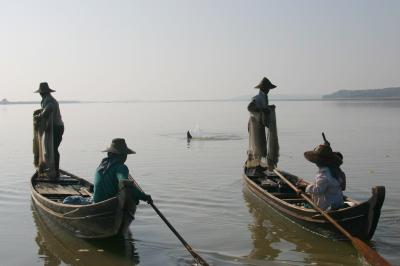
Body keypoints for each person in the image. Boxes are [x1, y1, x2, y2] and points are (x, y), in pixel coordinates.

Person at [92, 138, 152, 204]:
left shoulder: (101, 166)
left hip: (96, 202)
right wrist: (144, 197)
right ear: (122, 155)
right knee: (131, 196)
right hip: (110, 203)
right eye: (125, 154)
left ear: (109, 154)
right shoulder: (121, 167)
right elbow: (125, 183)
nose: (126, 157)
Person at [246, 77, 279, 174]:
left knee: (261, 144)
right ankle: (256, 168)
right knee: (258, 145)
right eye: (268, 88)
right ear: (263, 88)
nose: (269, 90)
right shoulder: (258, 97)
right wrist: (262, 110)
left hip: (259, 124)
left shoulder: (264, 97)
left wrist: (269, 107)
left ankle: (258, 166)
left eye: (269, 88)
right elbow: (250, 107)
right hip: (255, 125)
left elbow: (262, 107)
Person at [302, 134, 345, 210]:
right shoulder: (335, 171)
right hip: (339, 203)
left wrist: (306, 186)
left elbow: (318, 190)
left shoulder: (323, 174)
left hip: (328, 206)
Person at [34, 82, 64, 177]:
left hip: (56, 128)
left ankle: (55, 171)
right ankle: (53, 169)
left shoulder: (49, 100)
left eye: (41, 92)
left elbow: (48, 109)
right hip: (54, 128)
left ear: (43, 93)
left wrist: (39, 116)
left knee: (53, 149)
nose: (40, 94)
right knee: (51, 149)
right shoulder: (47, 99)